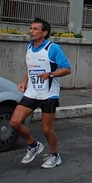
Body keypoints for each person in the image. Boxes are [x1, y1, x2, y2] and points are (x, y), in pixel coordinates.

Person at [10, 18, 72, 169]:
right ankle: (33, 145)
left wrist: (50, 74)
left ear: (44, 33)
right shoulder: (29, 48)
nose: (31, 31)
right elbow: (30, 68)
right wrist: (24, 81)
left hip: (48, 94)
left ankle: (55, 155)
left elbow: (67, 68)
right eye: (31, 28)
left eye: (35, 29)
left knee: (46, 129)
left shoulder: (52, 48)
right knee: (14, 122)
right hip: (32, 92)